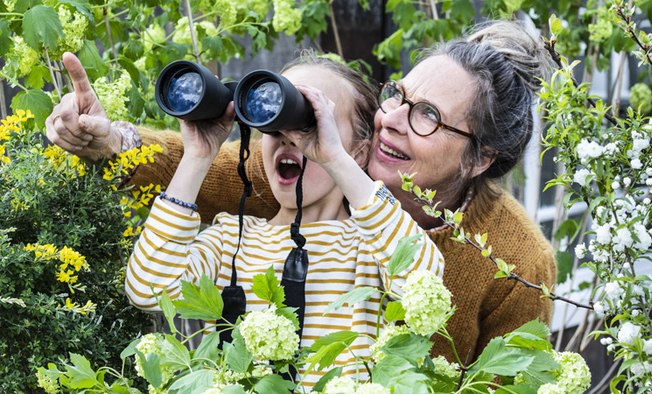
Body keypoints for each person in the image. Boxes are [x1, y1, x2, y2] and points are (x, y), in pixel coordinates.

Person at [47, 20, 556, 365]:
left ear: (480, 157)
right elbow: (192, 177)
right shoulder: (274, 194)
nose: (391, 121)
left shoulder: (515, 260)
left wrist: (336, 159)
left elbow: (427, 284)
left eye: (428, 116)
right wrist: (112, 141)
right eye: (398, 95)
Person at [121, 55, 444, 386]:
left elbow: (424, 278)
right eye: (274, 119)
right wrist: (198, 156)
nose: (290, 136)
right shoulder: (230, 240)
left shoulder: (371, 247)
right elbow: (149, 289)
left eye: (310, 120)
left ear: (359, 153)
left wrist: (334, 158)